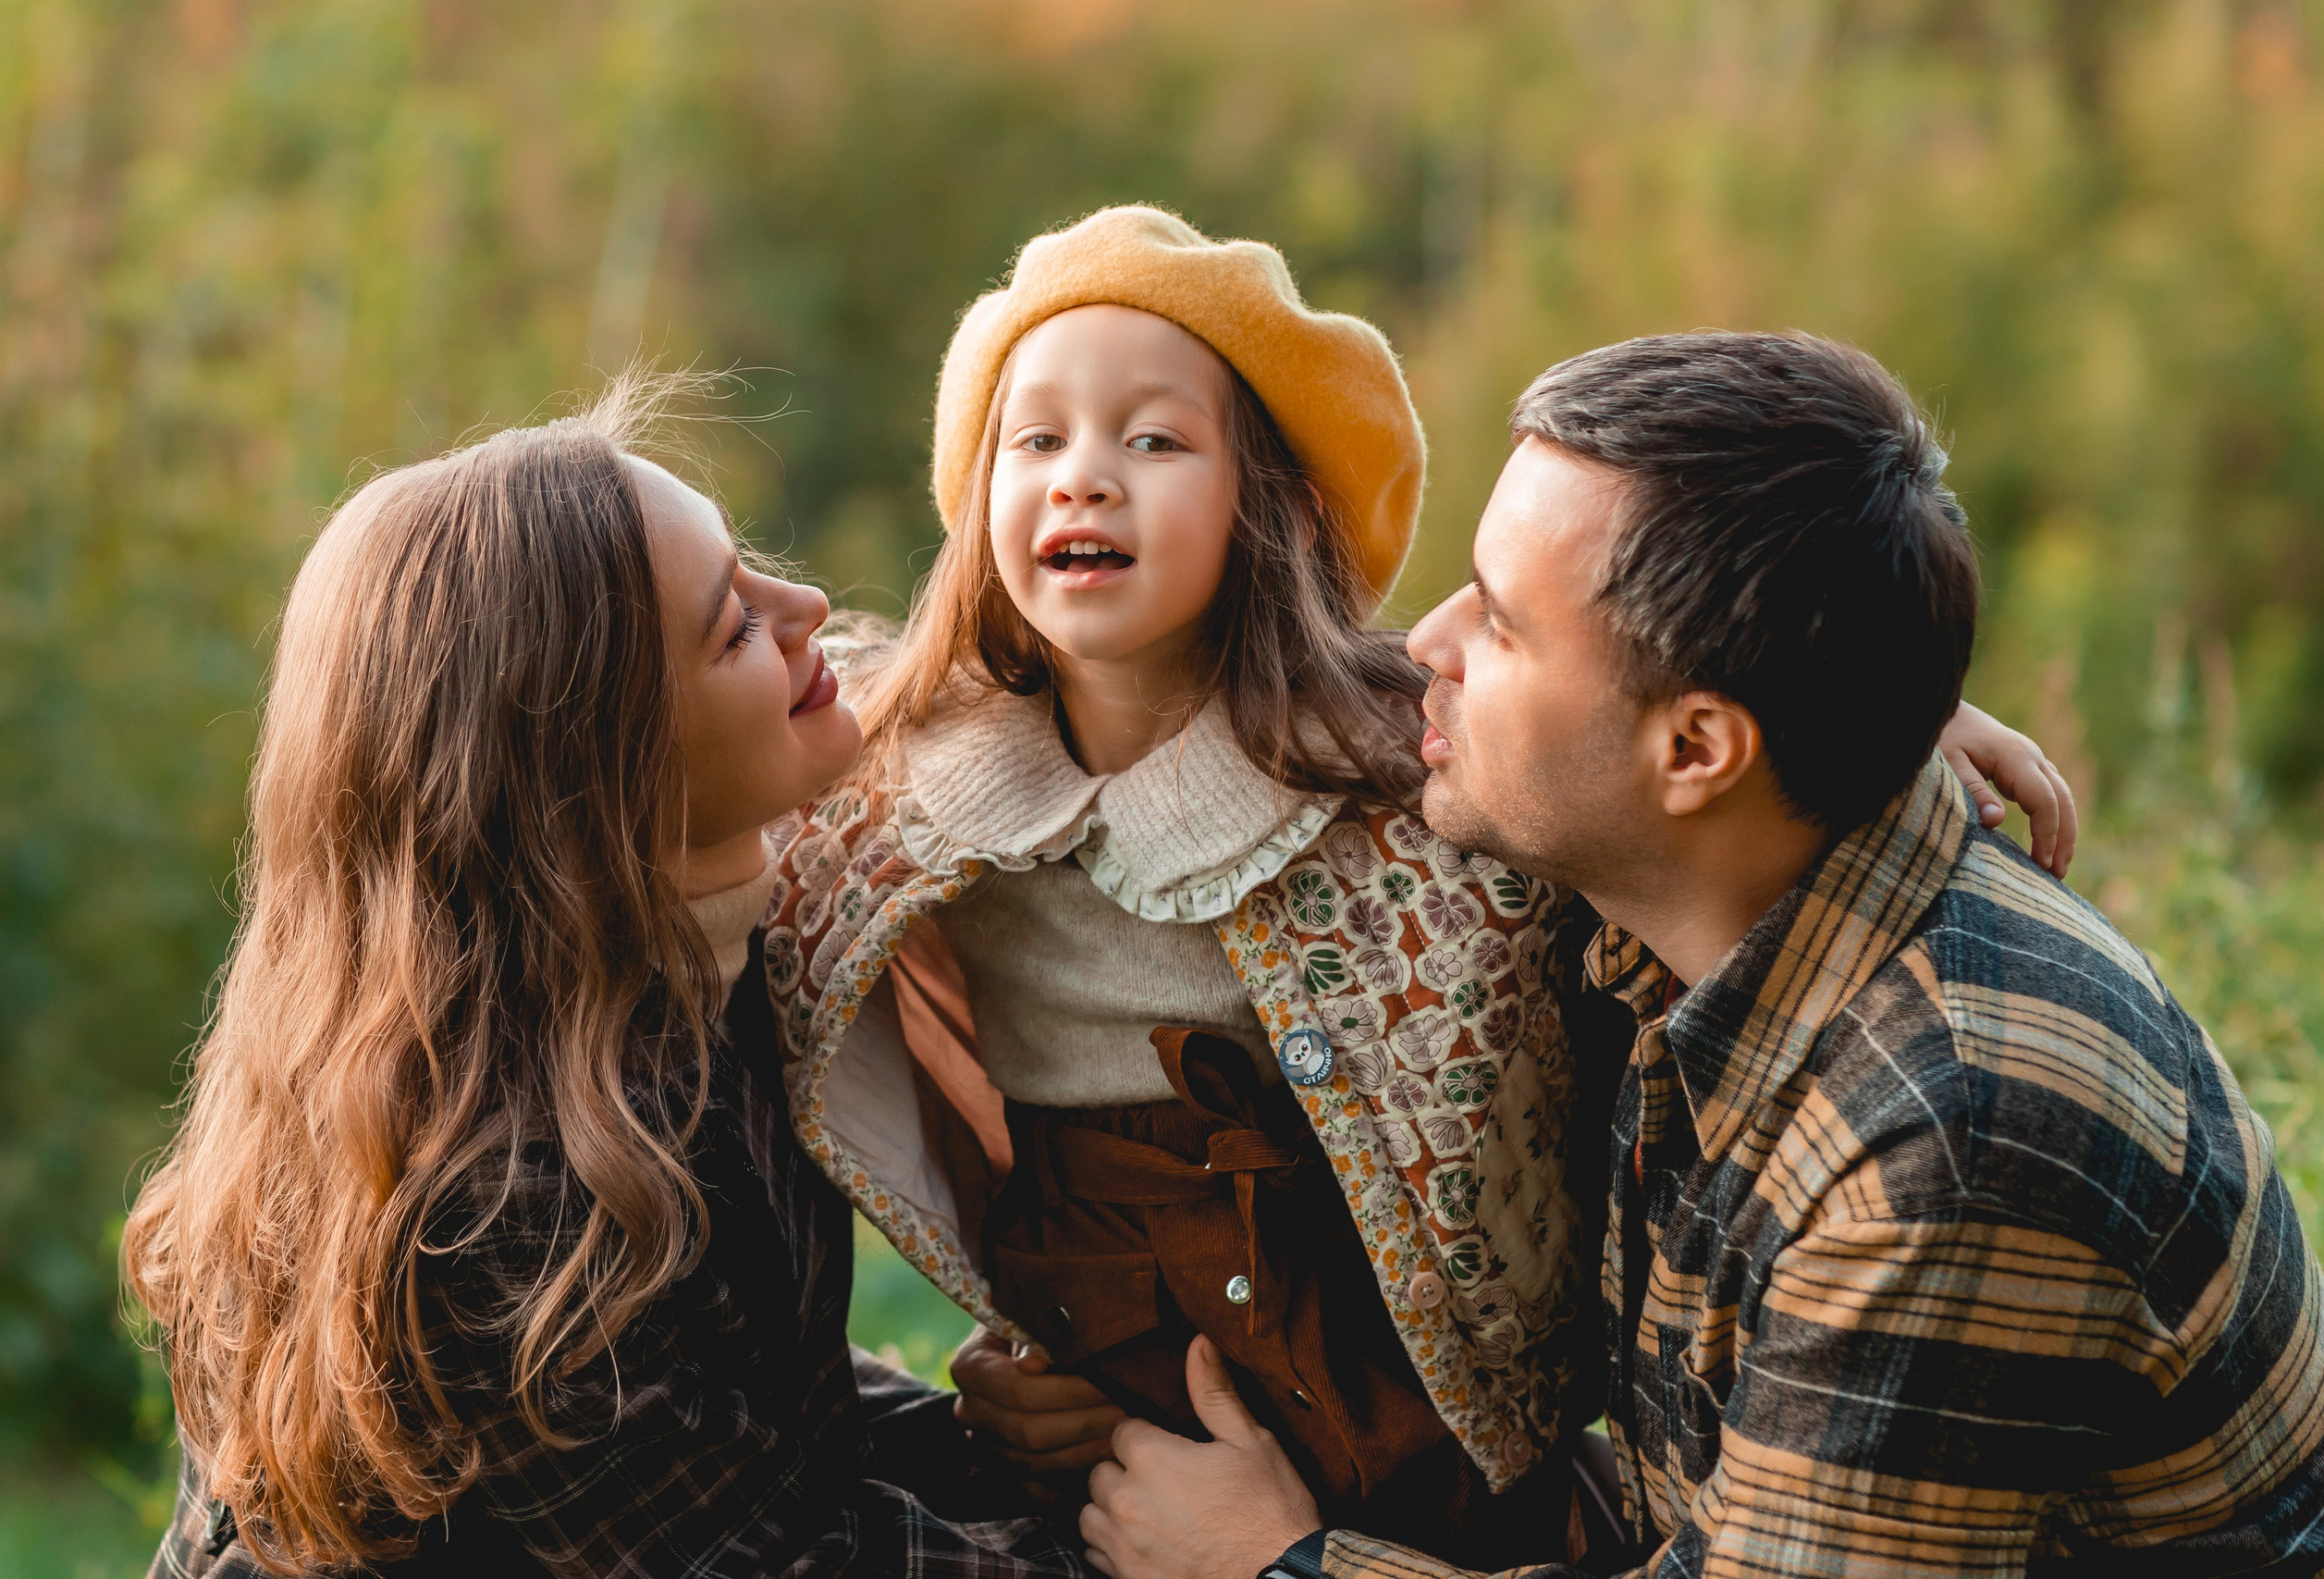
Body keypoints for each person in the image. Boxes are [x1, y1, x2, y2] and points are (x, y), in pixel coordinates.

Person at [763, 209, 2077, 1568]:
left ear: (1259, 501)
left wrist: (1883, 716)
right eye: (1035, 441)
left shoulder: (1394, 757)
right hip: (1114, 1324)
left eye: (1152, 441)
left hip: (1386, 1351)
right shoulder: (906, 770)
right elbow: (754, 729)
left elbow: (1653, 742)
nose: (1085, 479)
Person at [1076, 330, 2324, 1579]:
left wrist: (1271, 1565)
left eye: (1503, 625)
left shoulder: (1950, 1138)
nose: (1425, 644)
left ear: (1697, 753)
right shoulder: (1712, 874)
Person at [125, 381, 1091, 1577]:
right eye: (733, 627)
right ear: (597, 770)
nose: (809, 611)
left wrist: (1009, 1446)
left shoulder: (695, 967)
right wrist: (1233, 1554)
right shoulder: (490, 1212)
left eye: (757, 573)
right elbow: (778, 1553)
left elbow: (758, 1419)